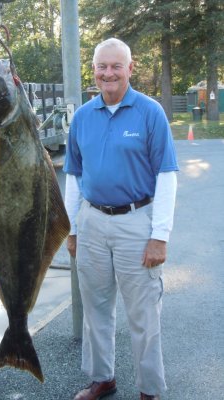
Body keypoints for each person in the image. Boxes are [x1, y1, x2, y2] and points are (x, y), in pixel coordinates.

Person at [63, 38, 179, 400]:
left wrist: (159, 236)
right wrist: (73, 229)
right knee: (95, 308)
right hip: (93, 222)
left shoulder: (149, 112)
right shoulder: (82, 116)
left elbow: (166, 175)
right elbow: (74, 178)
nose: (108, 73)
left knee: (143, 314)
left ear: (130, 68)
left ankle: (150, 389)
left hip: (136, 222)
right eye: (102, 66)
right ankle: (102, 378)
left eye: (116, 66)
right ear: (93, 70)